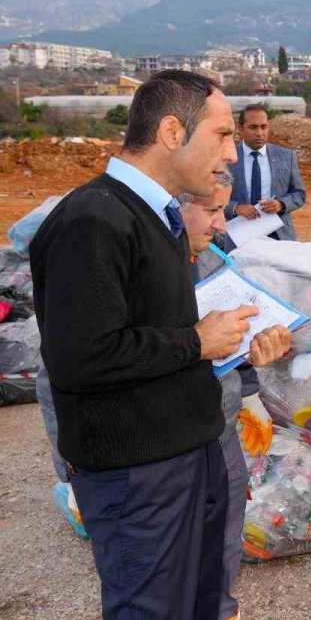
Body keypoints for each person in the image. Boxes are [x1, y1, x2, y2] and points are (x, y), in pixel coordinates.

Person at [29, 70, 292, 619]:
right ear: (173, 132)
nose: (233, 154)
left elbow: (149, 332)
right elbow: (82, 358)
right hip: (137, 473)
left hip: (184, 453)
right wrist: (196, 342)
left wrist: (229, 344)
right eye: (222, 135)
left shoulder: (156, 216)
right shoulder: (94, 219)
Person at [178, 171, 273, 620]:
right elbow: (58, 374)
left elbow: (238, 345)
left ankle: (222, 609)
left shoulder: (215, 262)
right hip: (167, 442)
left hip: (222, 427)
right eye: (214, 211)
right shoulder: (137, 267)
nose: (222, 225)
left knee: (224, 531)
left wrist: (255, 366)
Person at [225, 103, 307, 240]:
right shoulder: (227, 158)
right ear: (240, 129)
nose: (259, 133)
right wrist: (236, 207)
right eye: (253, 127)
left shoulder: (286, 156)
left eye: (264, 127)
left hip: (279, 235)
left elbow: (299, 194)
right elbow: (211, 197)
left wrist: (281, 204)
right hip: (239, 235)